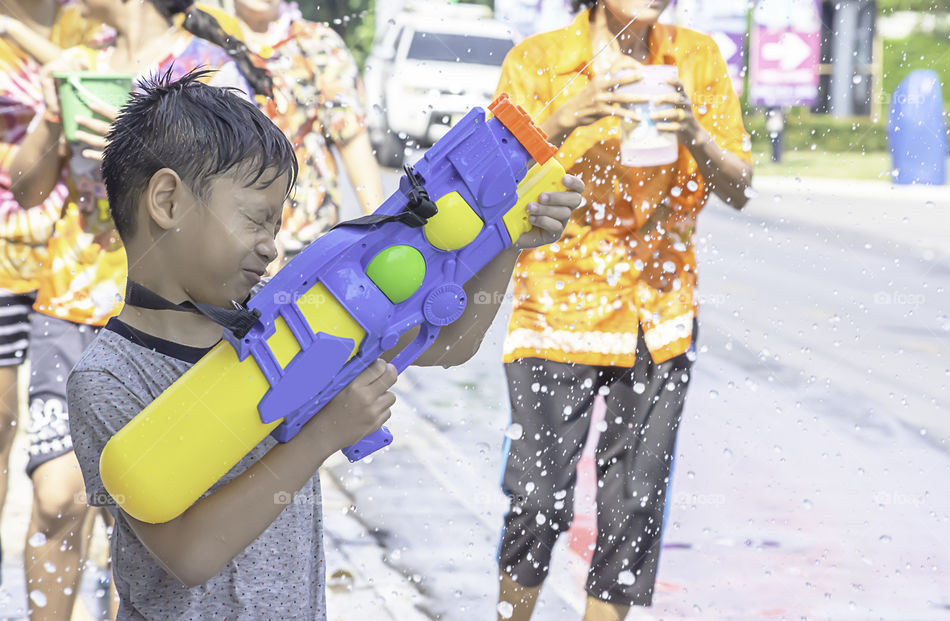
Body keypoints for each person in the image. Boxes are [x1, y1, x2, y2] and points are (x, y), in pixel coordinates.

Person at [65, 69, 584, 618]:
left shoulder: (280, 324)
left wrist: (507, 241)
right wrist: (322, 437)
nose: (271, 246)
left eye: (277, 224)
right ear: (167, 201)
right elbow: (190, 555)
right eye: (256, 220)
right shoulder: (109, 378)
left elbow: (449, 344)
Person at [493, 1, 754, 619]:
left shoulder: (693, 58)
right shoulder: (540, 60)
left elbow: (740, 188)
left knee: (634, 505)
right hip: (557, 305)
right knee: (537, 499)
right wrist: (561, 117)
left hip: (659, 312)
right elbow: (493, 174)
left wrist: (692, 131)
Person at [7, 1, 268, 616]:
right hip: (68, 302)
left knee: (151, 498)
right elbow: (23, 189)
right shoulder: (78, 62)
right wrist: (51, 117)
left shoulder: (208, 72)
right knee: (54, 497)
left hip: (168, 313)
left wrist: (140, 158)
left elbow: (242, 192)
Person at [0, 0, 103, 596]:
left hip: (73, 265)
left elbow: (82, 73)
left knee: (70, 464)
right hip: (3, 255)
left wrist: (14, 30)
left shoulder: (93, 25)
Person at [232, 0, 384, 266]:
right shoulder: (204, 44)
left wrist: (384, 232)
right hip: (224, 240)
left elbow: (353, 141)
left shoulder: (317, 44)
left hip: (304, 241)